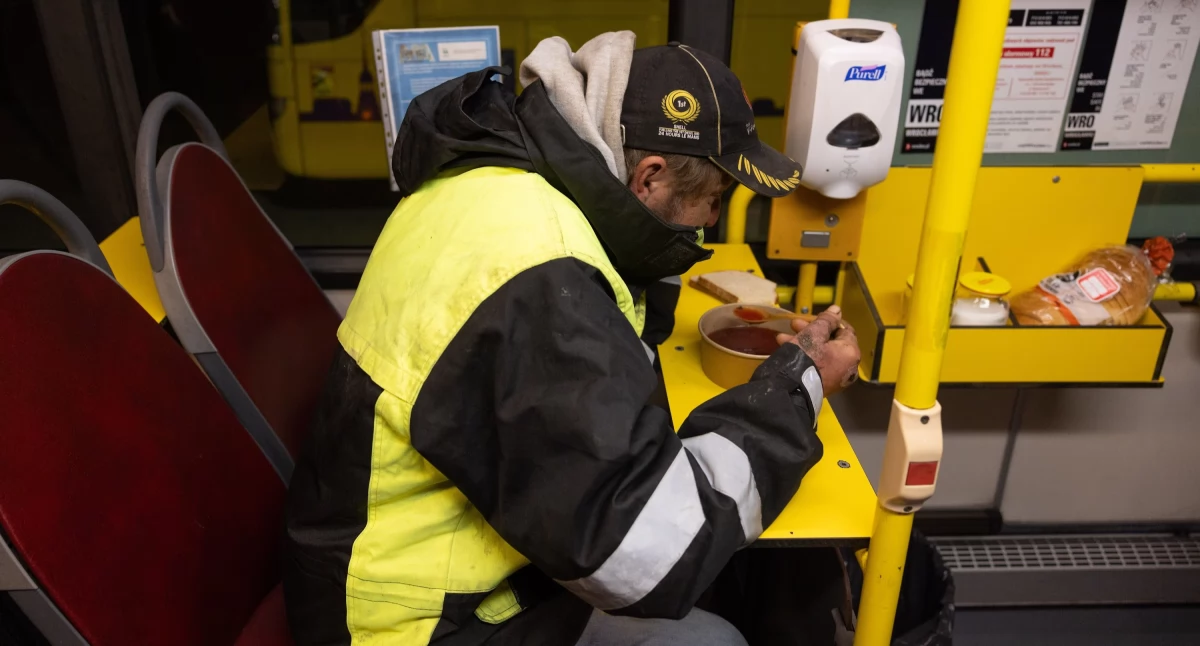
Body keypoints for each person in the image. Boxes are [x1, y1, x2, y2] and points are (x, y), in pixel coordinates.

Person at [283, 32, 861, 646]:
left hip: (390, 562)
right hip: (412, 621)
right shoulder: (540, 278)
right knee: (712, 638)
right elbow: (653, 556)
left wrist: (651, 243)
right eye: (713, 201)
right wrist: (797, 385)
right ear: (648, 178)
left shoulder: (501, 181)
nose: (713, 224)